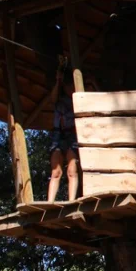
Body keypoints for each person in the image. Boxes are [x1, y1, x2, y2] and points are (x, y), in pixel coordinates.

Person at [48, 68, 80, 202]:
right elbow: (53, 98)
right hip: (58, 135)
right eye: (67, 85)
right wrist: (58, 80)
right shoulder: (59, 100)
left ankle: (71, 201)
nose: (69, 88)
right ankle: (50, 202)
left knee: (72, 171)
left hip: (73, 134)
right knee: (56, 172)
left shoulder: (79, 99)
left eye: (71, 85)